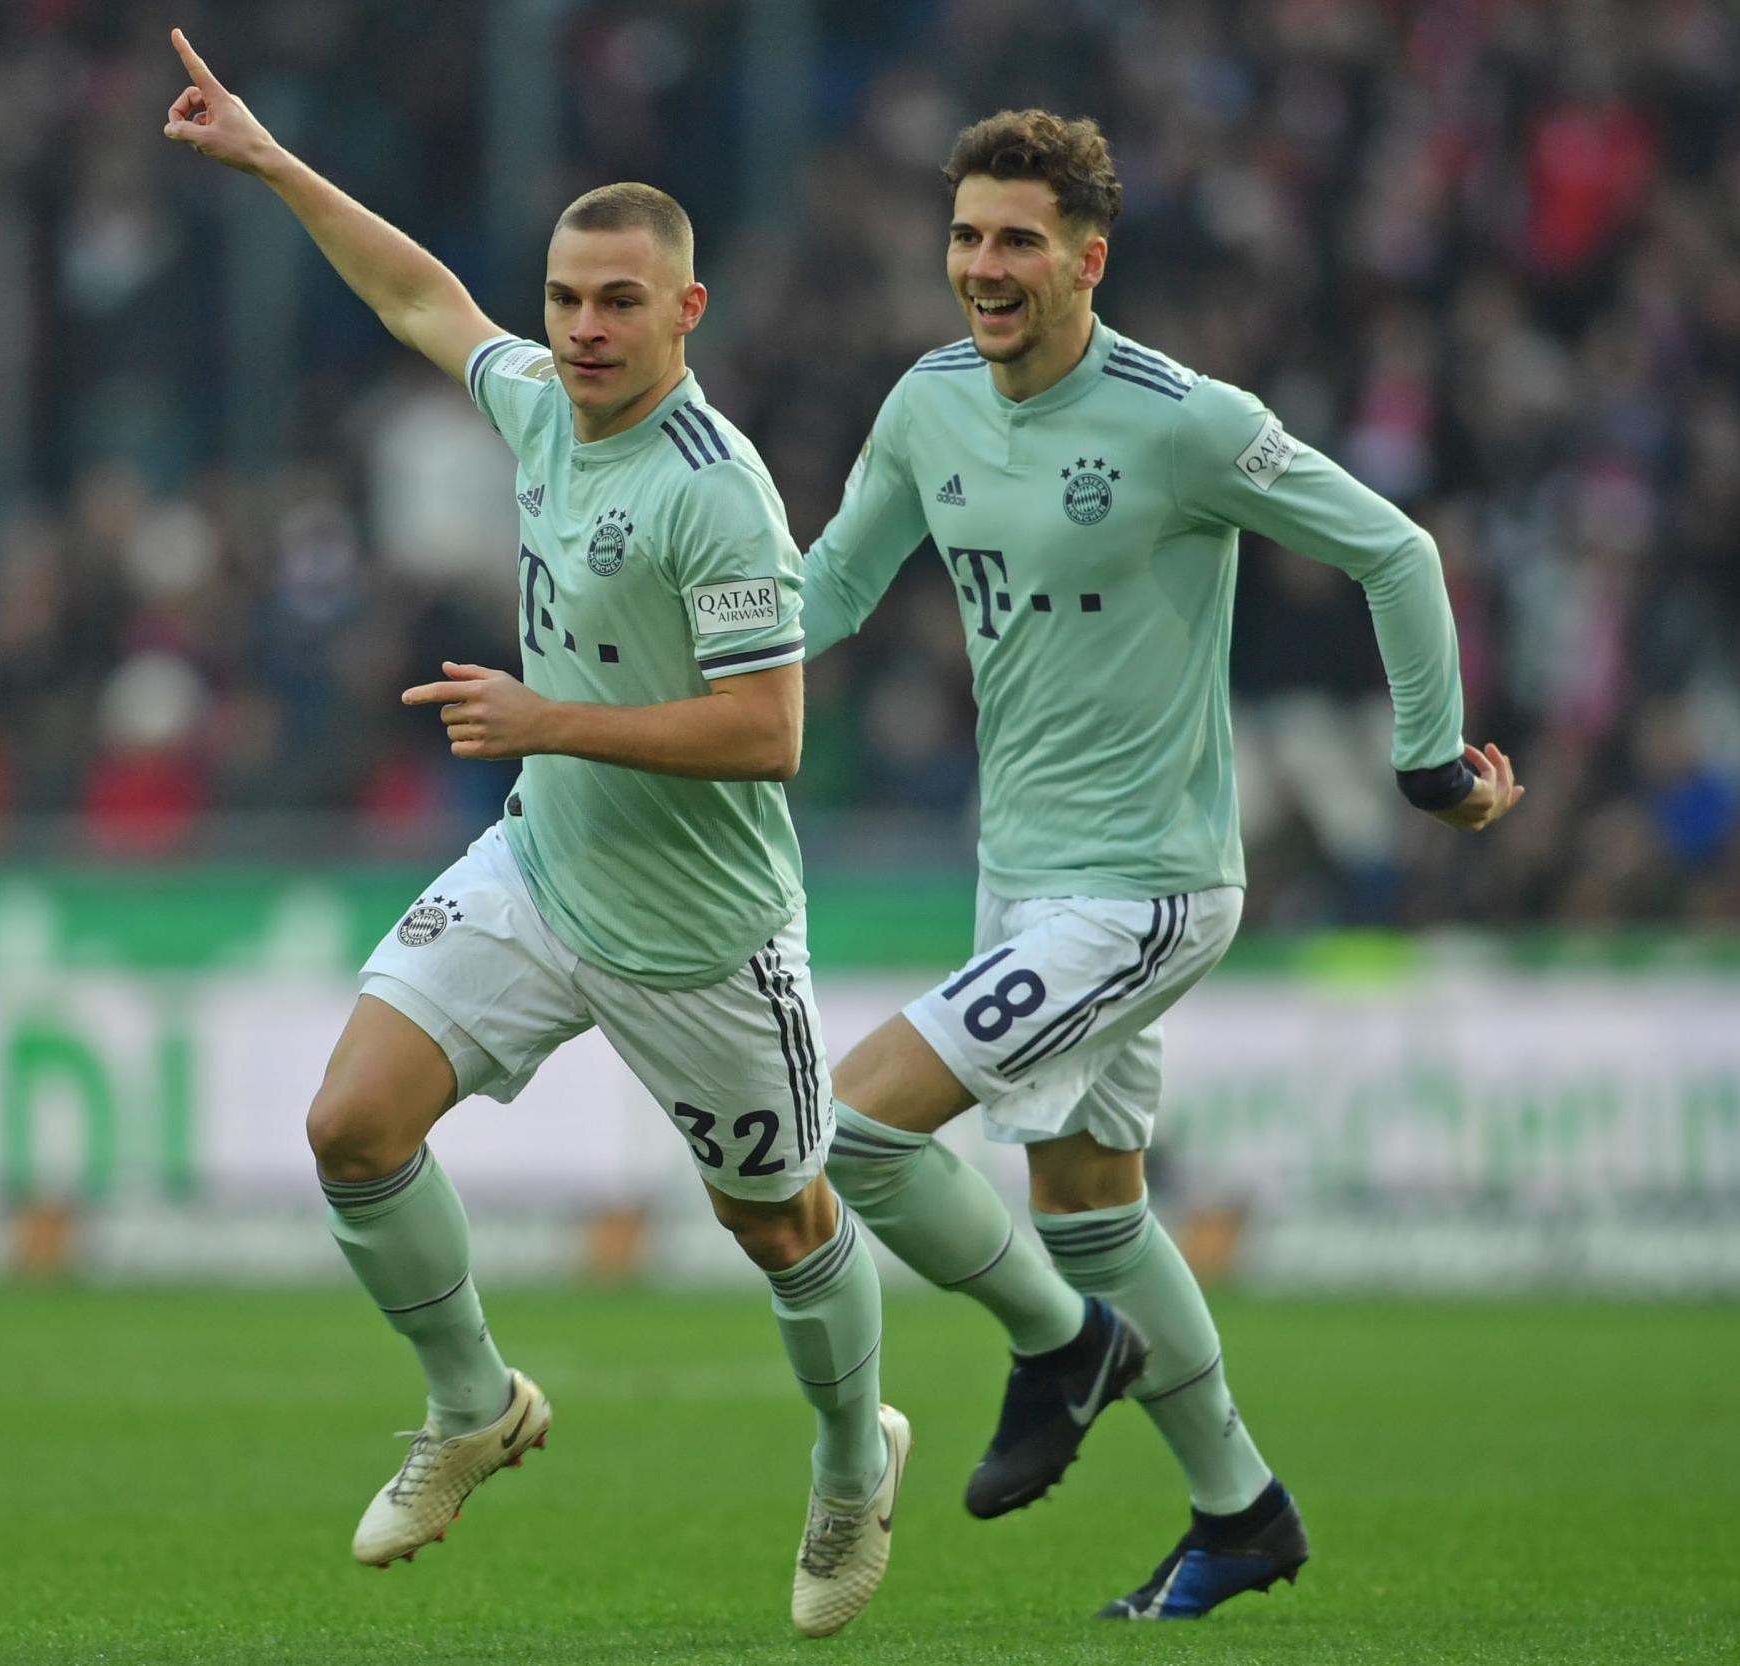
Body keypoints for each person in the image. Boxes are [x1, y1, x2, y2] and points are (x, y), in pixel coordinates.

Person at [162, 29, 907, 1638]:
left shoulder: (718, 492)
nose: (579, 326)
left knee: (779, 1222)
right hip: (542, 865)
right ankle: (474, 1403)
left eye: (616, 300)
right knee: (350, 1125)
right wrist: (274, 158)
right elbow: (424, 299)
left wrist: (547, 716)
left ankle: (854, 1460)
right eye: (566, 296)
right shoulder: (540, 407)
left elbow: (769, 734)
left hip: (702, 932)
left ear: (683, 311)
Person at [802, 110, 1524, 1621]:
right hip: (1021, 875)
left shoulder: (1183, 418)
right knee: (1091, 1209)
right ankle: (1239, 1511)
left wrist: (1430, 764)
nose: (982, 269)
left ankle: (1060, 1349)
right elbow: (829, 594)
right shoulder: (927, 404)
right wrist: (661, 678)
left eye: (1015, 241)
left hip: (1147, 888)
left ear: (1086, 258)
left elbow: (1393, 549)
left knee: (855, 1130)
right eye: (965, 238)